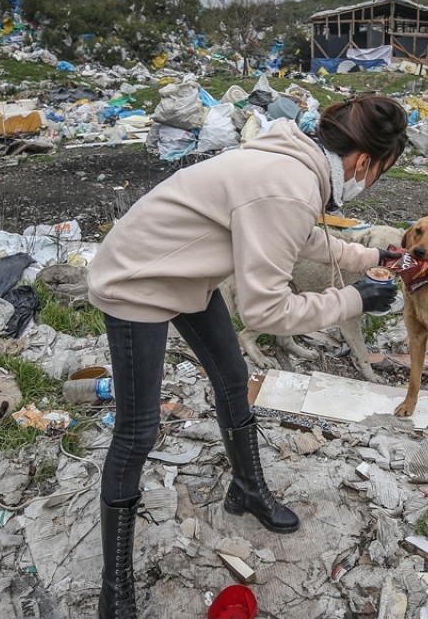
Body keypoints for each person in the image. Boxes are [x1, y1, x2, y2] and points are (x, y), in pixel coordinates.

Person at [86, 93, 409, 618]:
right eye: (380, 173)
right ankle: (113, 590)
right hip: (137, 280)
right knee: (138, 429)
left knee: (233, 377)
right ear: (364, 161)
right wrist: (356, 297)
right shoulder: (289, 184)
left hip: (186, 272)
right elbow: (264, 311)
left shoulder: (295, 166)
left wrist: (371, 256)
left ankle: (246, 488)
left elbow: (299, 238)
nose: (372, 183)